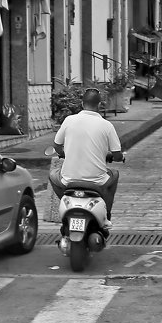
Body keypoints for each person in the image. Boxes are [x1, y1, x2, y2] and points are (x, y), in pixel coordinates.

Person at [51, 88, 124, 229]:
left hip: (69, 179)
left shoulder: (69, 120)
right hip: (97, 181)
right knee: (114, 174)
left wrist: (63, 153)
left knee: (53, 175)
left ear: (82, 103)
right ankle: (107, 214)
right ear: (99, 105)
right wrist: (119, 158)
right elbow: (117, 153)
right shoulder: (106, 125)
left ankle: (65, 203)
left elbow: (57, 145)